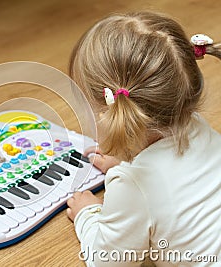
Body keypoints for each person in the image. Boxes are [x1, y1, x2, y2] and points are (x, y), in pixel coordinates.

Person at [67, 11, 221, 266]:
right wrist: (124, 163)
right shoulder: (199, 128)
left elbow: (109, 261)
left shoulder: (131, 184)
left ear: (110, 112)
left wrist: (88, 214)